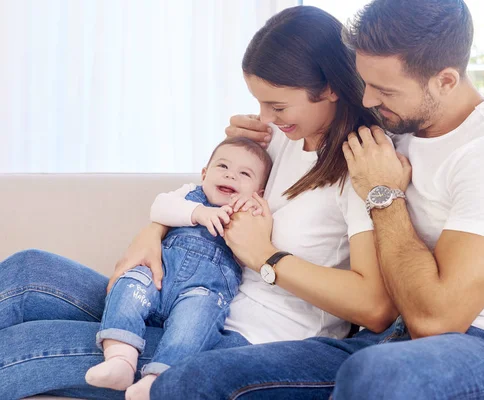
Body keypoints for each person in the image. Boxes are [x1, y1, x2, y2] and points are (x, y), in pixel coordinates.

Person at [146, 0, 484, 398]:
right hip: (382, 341)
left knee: (374, 376)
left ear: (445, 80)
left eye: (384, 90)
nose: (367, 100)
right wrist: (256, 139)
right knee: (188, 380)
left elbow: (437, 320)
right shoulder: (393, 130)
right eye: (365, 83)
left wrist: (385, 196)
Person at [0, 6, 397, 400]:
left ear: (329, 88)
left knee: (19, 347)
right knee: (27, 270)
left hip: (247, 339)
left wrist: (266, 257)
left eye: (277, 106)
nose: (265, 117)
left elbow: (373, 306)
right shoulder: (283, 138)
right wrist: (153, 232)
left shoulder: (360, 163)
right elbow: (210, 191)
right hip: (192, 294)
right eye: (260, 103)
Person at [84, 137, 271, 397]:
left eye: (244, 174)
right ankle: (120, 360)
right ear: (204, 173)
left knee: (193, 327)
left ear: (259, 192)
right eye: (223, 167)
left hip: (201, 292)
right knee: (128, 284)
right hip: (159, 276)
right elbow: (159, 206)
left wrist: (251, 211)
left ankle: (157, 381)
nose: (231, 176)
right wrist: (198, 213)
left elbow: (258, 249)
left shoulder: (250, 214)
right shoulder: (188, 194)